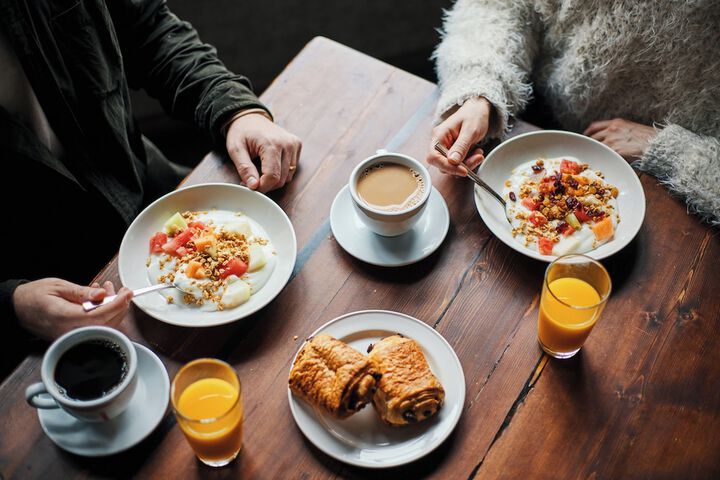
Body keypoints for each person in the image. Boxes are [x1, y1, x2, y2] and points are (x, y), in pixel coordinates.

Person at [0, 0, 301, 372]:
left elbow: (148, 29)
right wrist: (11, 302)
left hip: (146, 183)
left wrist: (237, 110)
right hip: (48, 285)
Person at [427, 0, 720, 225]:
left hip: (680, 189)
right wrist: (480, 92)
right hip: (534, 114)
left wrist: (667, 148)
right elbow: (503, 7)